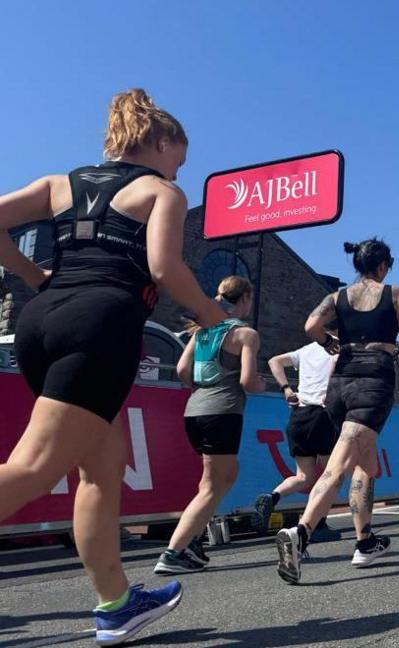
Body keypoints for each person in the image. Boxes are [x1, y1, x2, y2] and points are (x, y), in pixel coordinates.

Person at [0, 89, 227, 645]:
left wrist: (33, 276)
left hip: (41, 321)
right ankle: (116, 602)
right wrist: (215, 317)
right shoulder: (161, 192)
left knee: (101, 469)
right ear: (163, 141)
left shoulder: (59, 184)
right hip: (100, 323)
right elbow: (164, 267)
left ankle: (116, 605)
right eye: (181, 156)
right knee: (34, 466)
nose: (181, 168)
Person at [275, 239, 399, 584]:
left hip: (340, 381)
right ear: (383, 265)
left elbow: (311, 326)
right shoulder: (394, 292)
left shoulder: (337, 297)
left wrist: (330, 343)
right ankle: (301, 533)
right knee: (338, 466)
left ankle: (365, 541)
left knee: (365, 466)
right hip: (374, 380)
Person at [155, 277, 263, 574]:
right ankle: (174, 551)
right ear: (244, 299)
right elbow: (248, 382)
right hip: (223, 412)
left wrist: (202, 388)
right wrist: (261, 383)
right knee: (213, 485)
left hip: (195, 411)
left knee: (222, 477)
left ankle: (191, 541)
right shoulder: (245, 334)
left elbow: (181, 370)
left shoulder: (201, 333)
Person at [251, 333, 340, 538]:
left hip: (299, 416)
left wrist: (286, 389)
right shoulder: (340, 349)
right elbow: (335, 367)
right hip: (322, 414)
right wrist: (329, 391)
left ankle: (272, 496)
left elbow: (275, 361)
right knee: (330, 474)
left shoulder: (307, 349)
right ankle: (317, 524)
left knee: (304, 476)